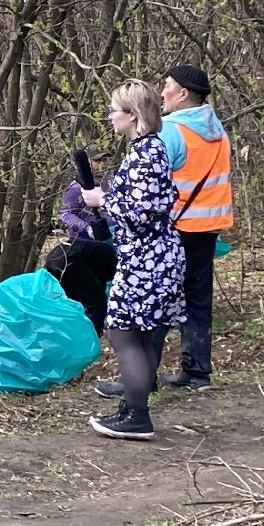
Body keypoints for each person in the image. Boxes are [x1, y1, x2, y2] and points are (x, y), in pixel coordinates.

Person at [81, 80, 185, 440]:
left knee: (123, 332)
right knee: (136, 334)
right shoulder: (148, 150)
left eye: (114, 110)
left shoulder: (146, 153)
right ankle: (132, 407)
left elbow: (141, 212)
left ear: (133, 115)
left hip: (147, 259)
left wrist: (101, 203)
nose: (110, 117)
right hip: (151, 256)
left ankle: (137, 415)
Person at [157, 65, 231, 391]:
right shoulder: (218, 131)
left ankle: (140, 376)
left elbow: (155, 185)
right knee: (198, 300)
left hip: (175, 228)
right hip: (208, 227)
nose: (162, 92)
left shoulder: (170, 131)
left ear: (183, 93)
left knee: (155, 301)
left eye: (167, 86)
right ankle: (197, 372)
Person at [44, 176, 117, 330]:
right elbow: (65, 214)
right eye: (98, 160)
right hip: (77, 250)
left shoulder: (112, 182)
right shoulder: (76, 189)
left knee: (90, 294)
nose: (102, 163)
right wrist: (86, 227)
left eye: (106, 159)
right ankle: (91, 336)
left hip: (103, 243)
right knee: (94, 300)